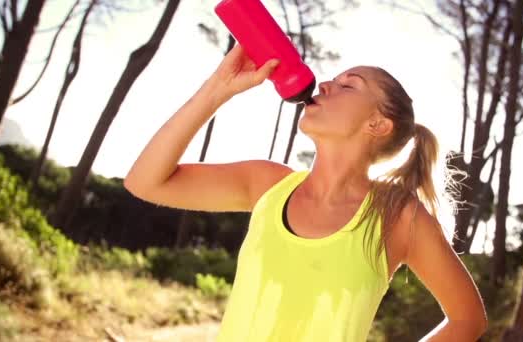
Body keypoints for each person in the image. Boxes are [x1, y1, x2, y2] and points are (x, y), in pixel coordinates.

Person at [123, 44, 488, 341]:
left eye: (348, 85)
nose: (324, 85)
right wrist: (217, 89)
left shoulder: (397, 216)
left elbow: (467, 319)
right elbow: (144, 182)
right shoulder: (266, 183)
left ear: (377, 124)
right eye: (332, 80)